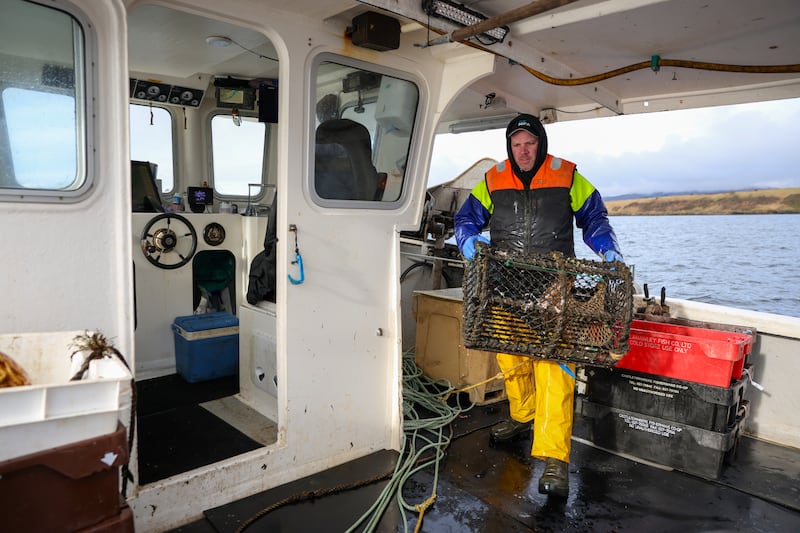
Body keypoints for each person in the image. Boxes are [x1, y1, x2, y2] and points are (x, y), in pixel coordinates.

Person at [454, 113, 624, 498]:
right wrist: (466, 241)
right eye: (516, 145)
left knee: (554, 370)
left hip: (553, 291)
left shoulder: (567, 175)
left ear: (540, 143)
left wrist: (607, 247)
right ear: (509, 147)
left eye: (529, 143)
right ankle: (523, 416)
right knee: (511, 359)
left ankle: (554, 458)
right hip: (505, 287)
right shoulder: (493, 179)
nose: (523, 151)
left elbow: (594, 217)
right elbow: (465, 219)